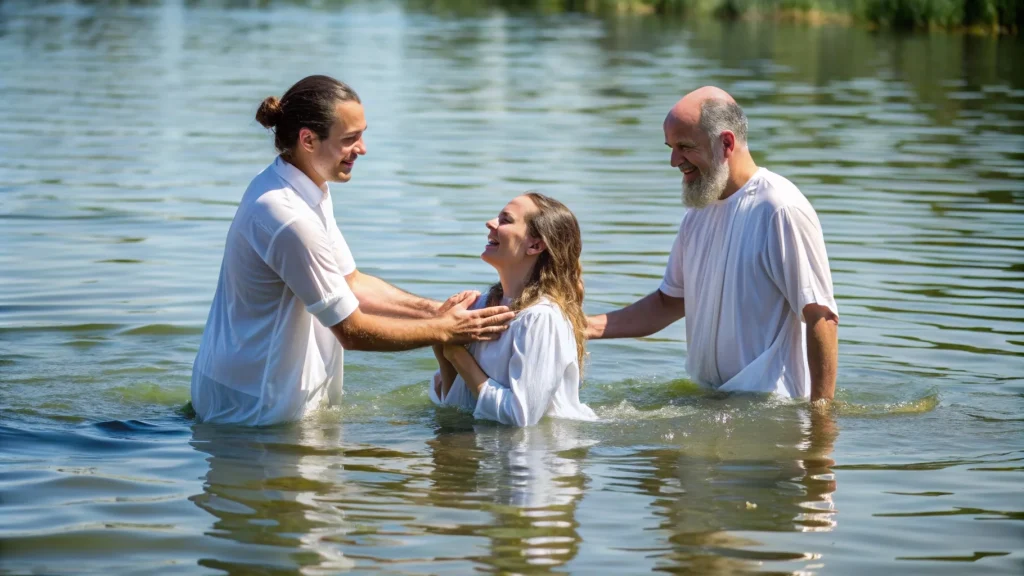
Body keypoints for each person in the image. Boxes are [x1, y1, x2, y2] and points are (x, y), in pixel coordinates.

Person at [190, 75, 514, 426]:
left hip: (245, 394)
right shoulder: (288, 217)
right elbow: (352, 331)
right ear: (308, 140)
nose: (362, 148)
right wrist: (445, 331)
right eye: (349, 139)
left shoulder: (299, 185)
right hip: (254, 412)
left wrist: (436, 311)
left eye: (361, 134)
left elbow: (352, 283)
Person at [586, 86, 839, 402]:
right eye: (670, 147)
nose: (674, 160)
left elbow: (820, 316)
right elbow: (670, 302)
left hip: (772, 410)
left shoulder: (779, 208)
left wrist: (820, 428)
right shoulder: (698, 213)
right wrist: (584, 327)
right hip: (708, 401)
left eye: (685, 147)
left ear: (727, 143)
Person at [430, 193, 598, 426]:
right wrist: (443, 348)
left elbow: (521, 417)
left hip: (540, 457)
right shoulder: (480, 306)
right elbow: (457, 409)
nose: (490, 223)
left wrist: (459, 356)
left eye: (505, 220)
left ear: (535, 245)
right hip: (488, 453)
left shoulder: (542, 318)